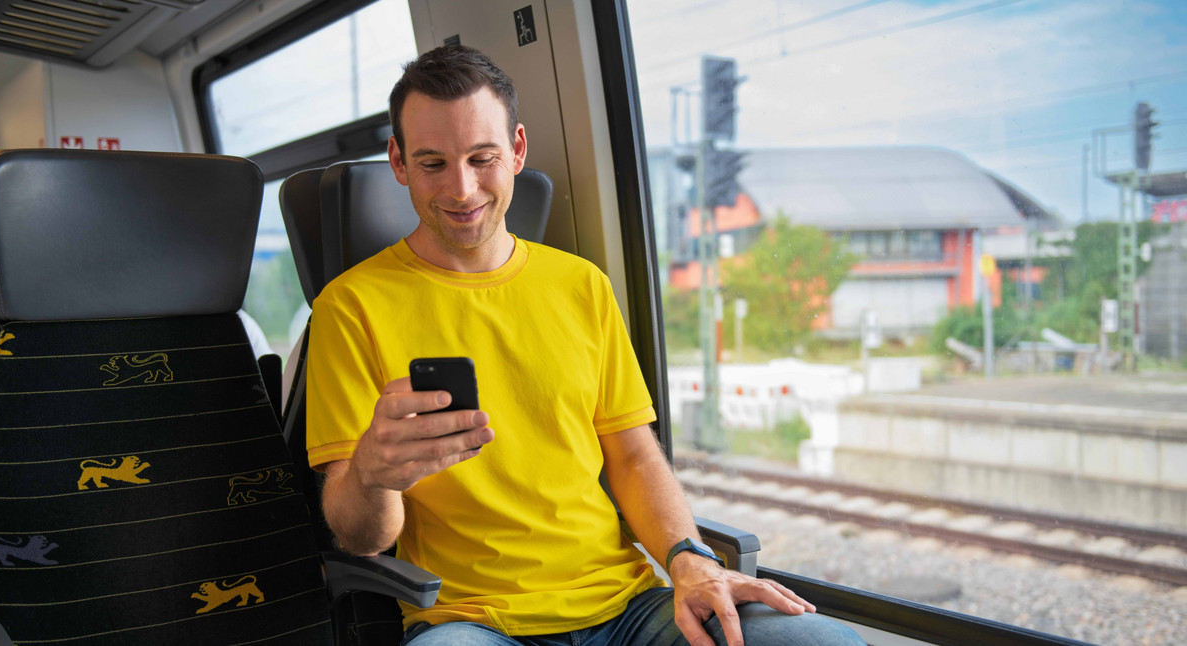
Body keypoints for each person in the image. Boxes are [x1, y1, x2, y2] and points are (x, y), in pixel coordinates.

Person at [306, 45, 864, 646]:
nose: (462, 189)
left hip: (626, 607)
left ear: (517, 150)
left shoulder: (581, 285)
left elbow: (633, 456)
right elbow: (362, 538)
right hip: (471, 622)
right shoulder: (350, 306)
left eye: (482, 158)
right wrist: (372, 474)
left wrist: (687, 557)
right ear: (398, 160)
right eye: (433, 162)